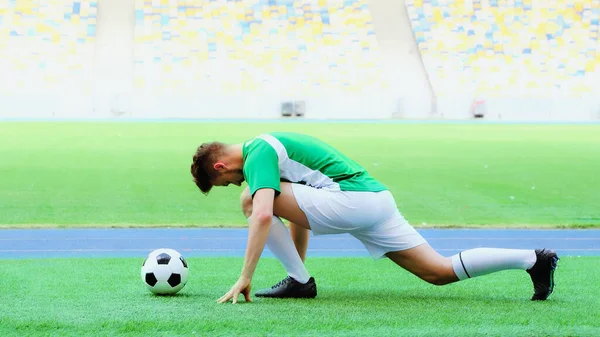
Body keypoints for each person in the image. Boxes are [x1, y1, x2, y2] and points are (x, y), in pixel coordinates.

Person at [190, 132, 559, 304]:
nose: (230, 183)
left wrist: (245, 277)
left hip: (353, 201)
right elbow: (297, 213)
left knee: (251, 200)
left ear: (221, 166)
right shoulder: (271, 155)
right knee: (439, 272)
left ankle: (301, 282)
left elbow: (264, 214)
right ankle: (533, 259)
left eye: (222, 180)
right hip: (376, 201)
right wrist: (296, 269)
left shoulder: (258, 153)